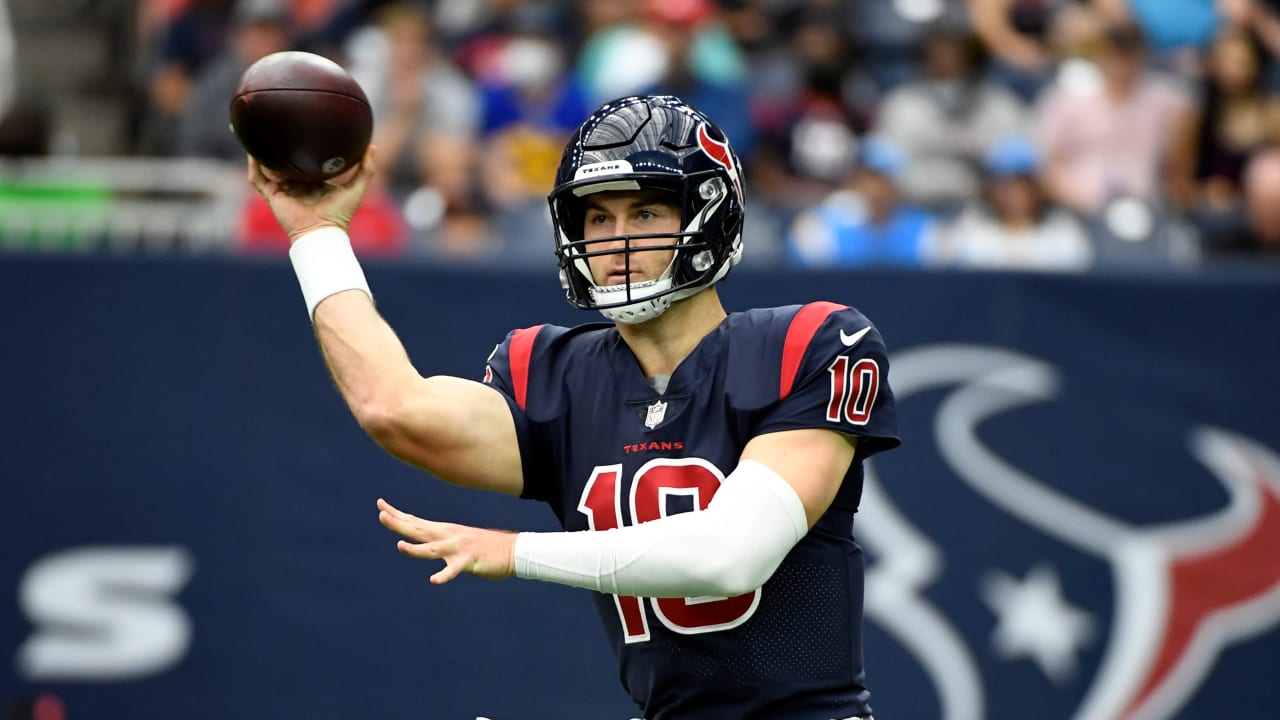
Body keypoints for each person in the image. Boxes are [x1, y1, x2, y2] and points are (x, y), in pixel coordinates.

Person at [248, 94, 900, 719]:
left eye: (645, 213)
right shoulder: (559, 376)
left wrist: (517, 551)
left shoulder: (809, 345)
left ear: (709, 215)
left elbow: (729, 556)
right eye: (598, 217)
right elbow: (396, 407)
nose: (615, 241)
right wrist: (317, 233)